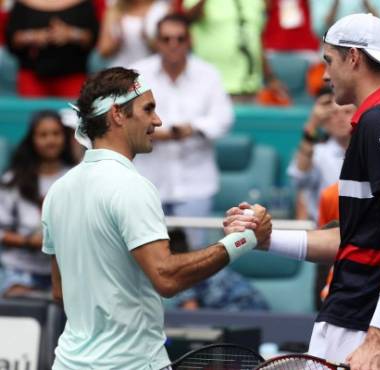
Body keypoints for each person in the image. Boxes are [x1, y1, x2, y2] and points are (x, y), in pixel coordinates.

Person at [225, 13, 380, 369]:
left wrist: (379, 337)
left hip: (365, 326)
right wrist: (267, 239)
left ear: (354, 58)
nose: (325, 74)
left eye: (329, 60)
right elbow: (358, 239)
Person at [41, 66, 270, 369]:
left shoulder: (58, 191)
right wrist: (243, 240)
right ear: (117, 115)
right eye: (148, 109)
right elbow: (166, 276)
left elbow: (60, 291)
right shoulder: (131, 186)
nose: (158, 121)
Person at [131, 13, 233, 249]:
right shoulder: (137, 74)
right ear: (157, 42)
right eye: (166, 39)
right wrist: (157, 133)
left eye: (179, 38)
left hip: (196, 183)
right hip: (147, 182)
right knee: (145, 255)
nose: (173, 45)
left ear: (189, 40)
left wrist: (193, 128)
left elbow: (223, 118)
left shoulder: (208, 74)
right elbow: (123, 118)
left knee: (194, 257)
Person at [0, 110, 77, 298]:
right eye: (43, 135)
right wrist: (28, 241)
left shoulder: (76, 178)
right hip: (20, 270)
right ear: (32, 140)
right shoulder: (13, 181)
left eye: (56, 134)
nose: (50, 140)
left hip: (65, 270)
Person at [4, 0, 99, 97]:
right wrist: (34, 36)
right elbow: (11, 37)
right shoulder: (22, 4)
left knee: (72, 110)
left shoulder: (83, 4)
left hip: (73, 74)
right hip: (33, 75)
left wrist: (70, 34)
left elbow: (94, 37)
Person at [287, 87, 355, 221]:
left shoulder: (371, 150)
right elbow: (299, 178)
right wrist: (312, 125)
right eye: (334, 113)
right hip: (325, 228)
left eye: (347, 112)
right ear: (325, 122)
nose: (340, 118)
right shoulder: (317, 153)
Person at [97, 0, 170, 67]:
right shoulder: (115, 11)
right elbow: (103, 51)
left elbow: (171, 50)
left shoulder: (162, 9)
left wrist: (148, 41)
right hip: (122, 72)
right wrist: (117, 42)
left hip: (152, 70)